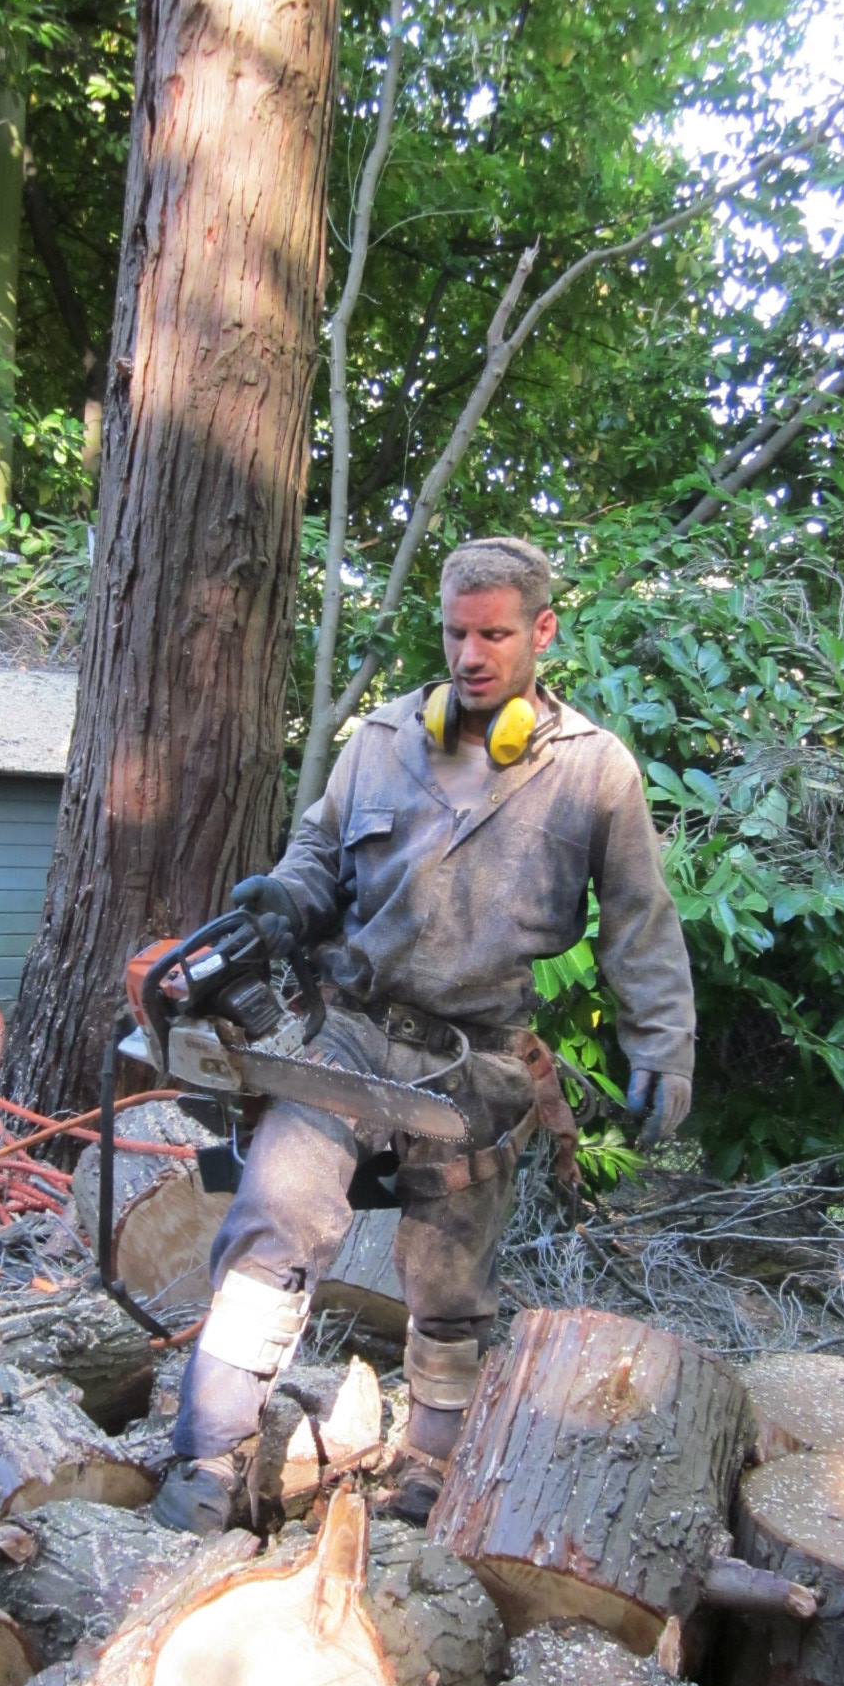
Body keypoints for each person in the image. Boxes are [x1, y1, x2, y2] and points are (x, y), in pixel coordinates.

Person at [153, 536, 695, 1533]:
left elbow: (639, 919)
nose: (472, 654)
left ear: (542, 630)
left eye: (495, 634)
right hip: (348, 1036)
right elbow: (318, 852)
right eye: (456, 632)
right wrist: (285, 896)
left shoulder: (593, 774)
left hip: (476, 1064)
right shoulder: (382, 740)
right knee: (274, 1217)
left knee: (450, 1286)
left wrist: (661, 1043)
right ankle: (208, 1458)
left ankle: (428, 1481)